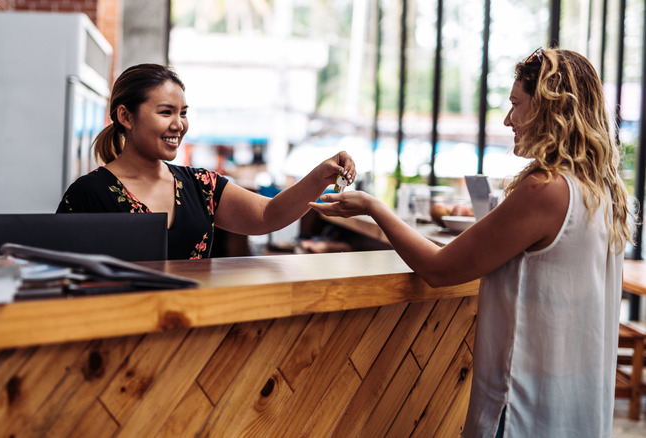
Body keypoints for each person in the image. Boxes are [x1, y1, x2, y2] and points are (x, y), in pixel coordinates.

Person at [310, 48, 633, 437]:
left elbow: (439, 269)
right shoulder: (605, 192)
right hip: (576, 408)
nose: (507, 119)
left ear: (552, 108)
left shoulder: (545, 189)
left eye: (516, 104)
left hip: (521, 411)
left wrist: (373, 207)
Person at [57, 63, 355, 260]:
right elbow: (58, 274)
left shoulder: (201, 186)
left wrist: (319, 178)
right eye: (166, 112)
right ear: (125, 116)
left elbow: (268, 215)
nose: (179, 125)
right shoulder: (88, 193)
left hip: (198, 340)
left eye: (183, 113)